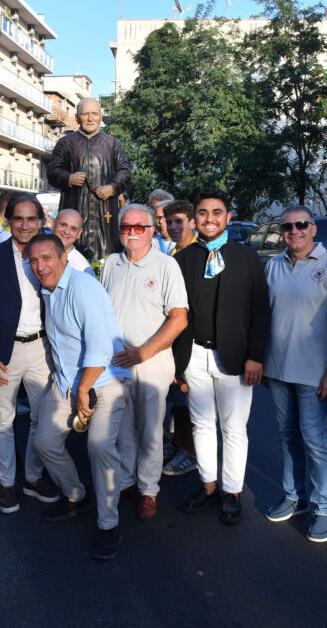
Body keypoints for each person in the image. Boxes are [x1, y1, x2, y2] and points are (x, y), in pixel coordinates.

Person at [29, 233, 131, 561]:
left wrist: (84, 390)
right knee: (45, 442)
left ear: (64, 258)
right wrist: (71, 387)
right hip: (68, 382)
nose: (40, 266)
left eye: (47, 258)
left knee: (100, 447)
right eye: (34, 260)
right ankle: (77, 496)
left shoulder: (83, 288)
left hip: (101, 381)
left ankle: (108, 524)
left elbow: (100, 349)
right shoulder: (48, 290)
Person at [172, 188, 269, 525]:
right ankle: (208, 485)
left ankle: (232, 491)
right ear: (194, 218)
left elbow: (260, 312)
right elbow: (173, 313)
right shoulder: (182, 259)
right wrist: (177, 363)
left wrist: (255, 357)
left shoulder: (246, 258)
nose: (209, 219)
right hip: (194, 355)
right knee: (201, 424)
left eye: (216, 212)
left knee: (233, 428)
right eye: (202, 213)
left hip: (235, 358)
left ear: (228, 216)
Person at [262, 205, 327, 544]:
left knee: (315, 441)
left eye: (301, 225)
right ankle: (294, 496)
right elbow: (265, 317)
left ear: (314, 229)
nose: (293, 231)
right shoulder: (274, 265)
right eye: (287, 227)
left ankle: (324, 509)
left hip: (314, 373)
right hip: (279, 369)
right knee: (287, 435)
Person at [0, 193, 60, 514]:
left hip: (42, 348)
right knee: (3, 421)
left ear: (41, 221)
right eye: (18, 219)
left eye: (31, 219)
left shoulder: (50, 253)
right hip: (4, 351)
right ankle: (8, 483)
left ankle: (34, 478)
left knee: (42, 418)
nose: (25, 225)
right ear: (8, 220)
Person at [100, 204, 188, 520]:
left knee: (151, 429)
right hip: (115, 363)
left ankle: (149, 490)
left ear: (152, 230)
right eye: (127, 227)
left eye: (140, 227)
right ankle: (126, 479)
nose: (133, 232)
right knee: (121, 427)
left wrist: (144, 352)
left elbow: (179, 319)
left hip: (151, 362)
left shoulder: (166, 266)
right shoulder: (111, 263)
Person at [47, 97, 131, 265]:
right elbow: (52, 171)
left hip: (105, 217)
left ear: (101, 116)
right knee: (71, 259)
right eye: (85, 114)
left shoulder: (113, 144)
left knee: (107, 260)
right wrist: (68, 178)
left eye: (94, 114)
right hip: (75, 208)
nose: (90, 118)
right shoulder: (65, 143)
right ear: (77, 117)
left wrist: (112, 187)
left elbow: (125, 172)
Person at [161, 200, 199, 477]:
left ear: (192, 222)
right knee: (177, 400)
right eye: (169, 221)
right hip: (175, 340)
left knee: (189, 401)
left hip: (192, 341)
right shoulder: (175, 253)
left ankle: (191, 452)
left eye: (179, 222)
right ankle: (178, 443)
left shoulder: (198, 254)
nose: (173, 227)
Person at [52, 208, 95, 276]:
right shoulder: (37, 253)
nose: (66, 232)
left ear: (79, 233)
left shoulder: (83, 269)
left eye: (73, 229)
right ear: (53, 224)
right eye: (63, 225)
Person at [148, 189, 175, 255]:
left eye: (165, 216)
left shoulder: (185, 241)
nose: (161, 221)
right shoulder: (150, 241)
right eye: (158, 217)